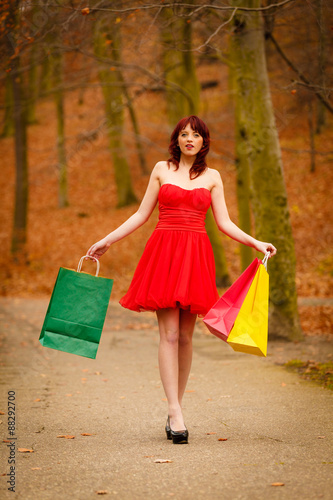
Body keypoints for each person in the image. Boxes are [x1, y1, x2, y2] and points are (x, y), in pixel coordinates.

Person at [87, 115, 277, 444]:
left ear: (204, 142)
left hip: (196, 256)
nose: (190, 139)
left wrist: (255, 242)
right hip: (164, 253)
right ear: (177, 140)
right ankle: (175, 412)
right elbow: (140, 214)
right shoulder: (161, 169)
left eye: (196, 135)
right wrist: (107, 239)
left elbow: (225, 223)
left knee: (187, 338)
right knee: (170, 335)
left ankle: (177, 406)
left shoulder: (213, 177)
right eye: (184, 134)